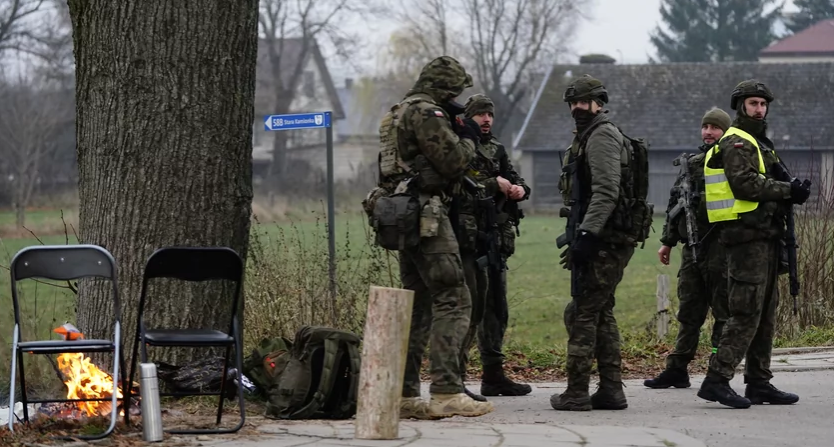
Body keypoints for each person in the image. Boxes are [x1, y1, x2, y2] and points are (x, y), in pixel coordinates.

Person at [371, 56, 495, 419]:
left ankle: (405, 394)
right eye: (455, 92)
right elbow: (454, 162)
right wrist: (468, 136)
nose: (458, 98)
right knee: (454, 297)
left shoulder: (395, 113)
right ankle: (446, 390)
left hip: (400, 215)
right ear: (445, 89)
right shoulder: (427, 112)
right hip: (426, 215)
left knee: (416, 303)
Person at [697, 80, 811, 409]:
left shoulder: (760, 143)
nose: (759, 109)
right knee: (745, 312)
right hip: (745, 239)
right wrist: (788, 190)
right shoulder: (737, 141)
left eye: (763, 104)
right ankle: (717, 380)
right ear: (741, 106)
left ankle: (759, 382)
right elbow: (745, 185)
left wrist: (791, 187)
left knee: (765, 313)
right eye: (753, 104)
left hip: (765, 237)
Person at [552, 75, 645, 411]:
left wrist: (587, 235)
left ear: (599, 104)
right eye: (573, 103)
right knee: (601, 311)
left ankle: (576, 392)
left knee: (582, 311)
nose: (577, 108)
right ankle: (611, 391)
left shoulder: (602, 135)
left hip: (606, 239)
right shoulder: (587, 135)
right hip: (604, 236)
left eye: (583, 102)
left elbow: (607, 191)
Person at [644, 108, 732, 389]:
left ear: (725, 132)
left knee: (723, 313)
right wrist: (667, 242)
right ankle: (677, 369)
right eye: (705, 127)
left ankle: (717, 370)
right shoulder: (691, 164)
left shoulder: (732, 161)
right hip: (693, 248)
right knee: (689, 311)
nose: (708, 132)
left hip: (721, 249)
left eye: (714, 128)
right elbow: (676, 205)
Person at [454, 94, 532, 401]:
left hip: (496, 240)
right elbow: (459, 187)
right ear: (468, 117)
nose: (486, 119)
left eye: (490, 114)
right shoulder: (460, 147)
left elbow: (513, 176)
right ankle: (454, 378)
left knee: (497, 308)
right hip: (470, 241)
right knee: (470, 308)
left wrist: (520, 189)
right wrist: (492, 184)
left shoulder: (496, 147)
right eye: (480, 114)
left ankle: (494, 375)